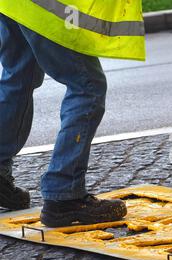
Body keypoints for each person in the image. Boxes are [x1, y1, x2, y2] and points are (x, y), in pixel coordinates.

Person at [0, 1, 146, 227]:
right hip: (48, 6)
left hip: (14, 5)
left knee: (19, 77)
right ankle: (64, 195)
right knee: (87, 86)